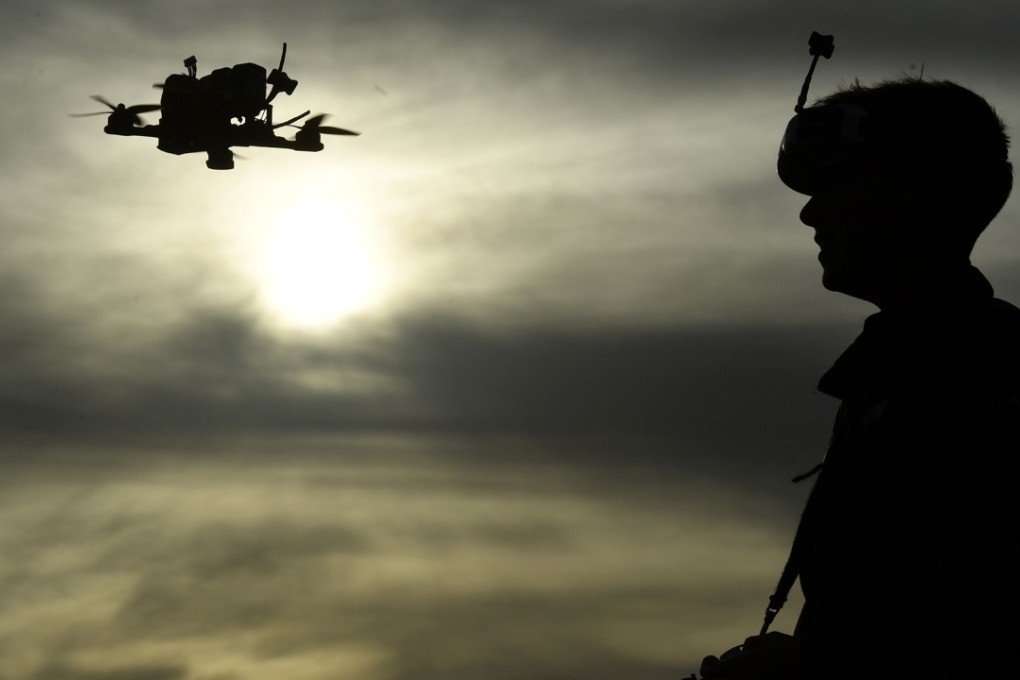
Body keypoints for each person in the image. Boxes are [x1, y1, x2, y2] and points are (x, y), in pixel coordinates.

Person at [700, 77, 1020, 679]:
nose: (809, 212)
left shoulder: (987, 379)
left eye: (835, 184)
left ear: (915, 188)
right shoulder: (893, 374)